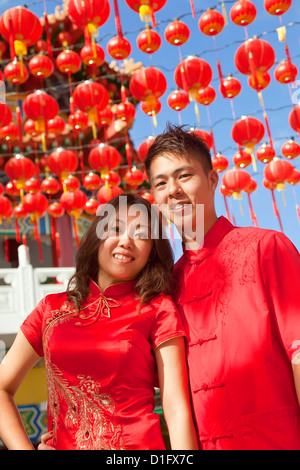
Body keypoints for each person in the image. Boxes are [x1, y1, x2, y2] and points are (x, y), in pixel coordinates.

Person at [0, 193, 198, 451]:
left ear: (152, 251)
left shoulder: (157, 309)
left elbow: (176, 407)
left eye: (141, 234)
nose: (126, 241)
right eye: (115, 228)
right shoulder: (51, 309)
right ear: (97, 237)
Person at [145, 124, 300, 450]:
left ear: (213, 180)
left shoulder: (265, 248)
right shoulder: (166, 287)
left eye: (183, 176)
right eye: (161, 183)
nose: (172, 190)